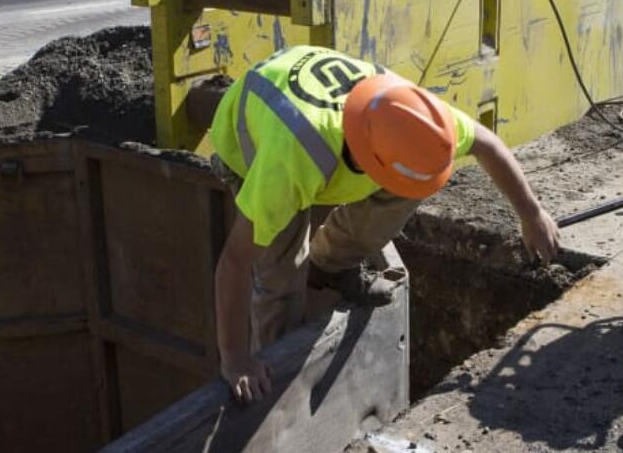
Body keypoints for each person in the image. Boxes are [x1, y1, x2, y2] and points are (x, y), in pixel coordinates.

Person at [208, 45, 561, 404]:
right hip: (254, 140)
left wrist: (531, 215)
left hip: (317, 116)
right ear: (368, 159)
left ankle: (328, 266)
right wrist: (236, 360)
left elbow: (487, 145)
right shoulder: (292, 163)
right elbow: (234, 262)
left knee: (411, 187)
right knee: (282, 273)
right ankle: (279, 387)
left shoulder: (414, 117)